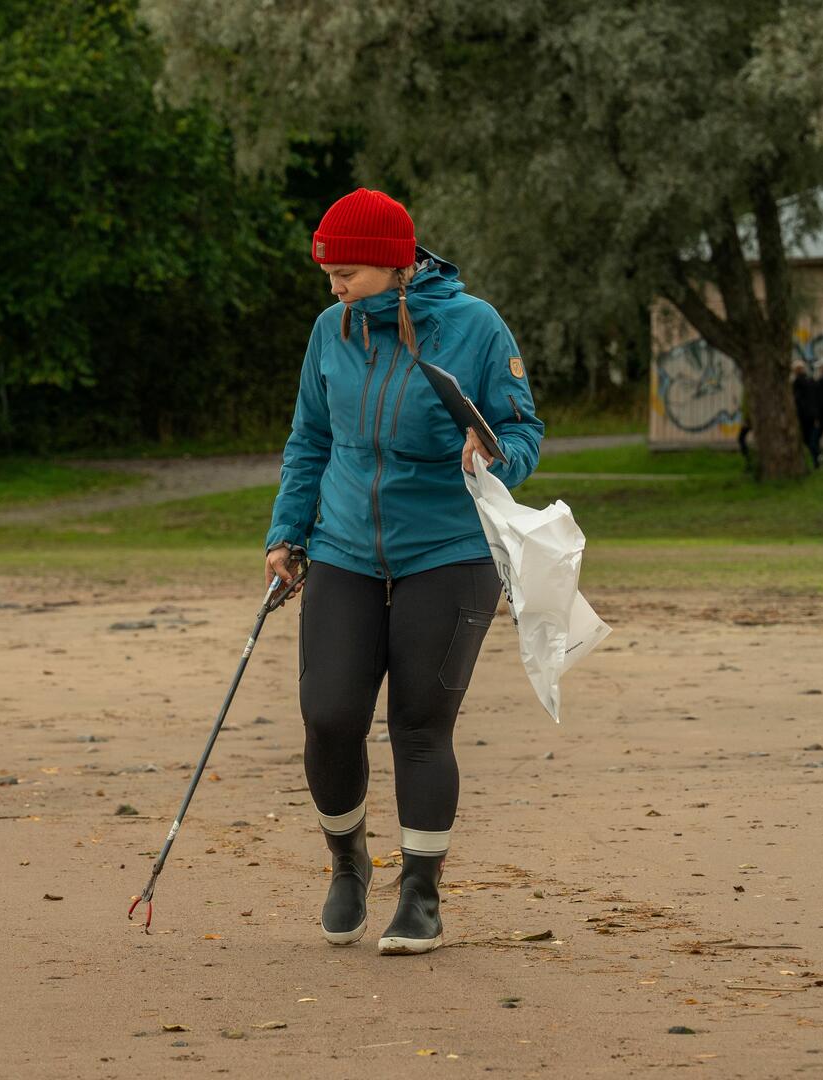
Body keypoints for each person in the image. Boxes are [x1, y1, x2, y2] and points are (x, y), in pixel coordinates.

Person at [264, 188, 543, 956]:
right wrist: (286, 533)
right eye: (329, 276)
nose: (336, 289)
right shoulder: (331, 330)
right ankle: (348, 861)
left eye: (346, 274)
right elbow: (309, 439)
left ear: (395, 265)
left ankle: (420, 893)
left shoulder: (476, 326)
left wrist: (495, 455)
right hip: (344, 549)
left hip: (448, 551)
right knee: (329, 715)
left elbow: (521, 428)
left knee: (420, 723)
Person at [791, 358, 819, 467]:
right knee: (811, 438)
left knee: (805, 439)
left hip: (802, 415)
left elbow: (796, 399)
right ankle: (816, 458)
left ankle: (814, 457)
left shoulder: (797, 382)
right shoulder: (811, 381)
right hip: (812, 415)